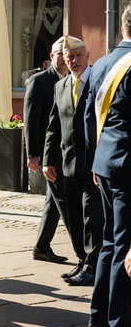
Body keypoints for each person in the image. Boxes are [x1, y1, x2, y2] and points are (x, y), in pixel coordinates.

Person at [84, 5, 131, 327]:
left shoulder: (101, 63)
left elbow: (89, 118)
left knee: (108, 244)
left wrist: (98, 161)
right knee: (124, 249)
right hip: (128, 166)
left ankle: (98, 321)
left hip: (105, 164)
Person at [43, 36, 101, 287]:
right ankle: (82, 259)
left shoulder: (100, 82)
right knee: (74, 217)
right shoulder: (61, 86)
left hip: (93, 164)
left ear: (87, 56)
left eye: (78, 55)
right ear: (64, 61)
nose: (74, 60)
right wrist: (47, 160)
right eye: (69, 57)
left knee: (92, 217)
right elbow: (53, 127)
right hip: (67, 164)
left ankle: (92, 266)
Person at [25, 38, 71, 263]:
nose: (64, 58)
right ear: (51, 57)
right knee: (62, 200)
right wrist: (32, 154)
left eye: (66, 53)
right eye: (59, 53)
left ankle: (42, 247)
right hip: (48, 153)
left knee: (54, 202)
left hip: (67, 151)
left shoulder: (72, 80)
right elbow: (31, 121)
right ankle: (86, 252)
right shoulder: (39, 81)